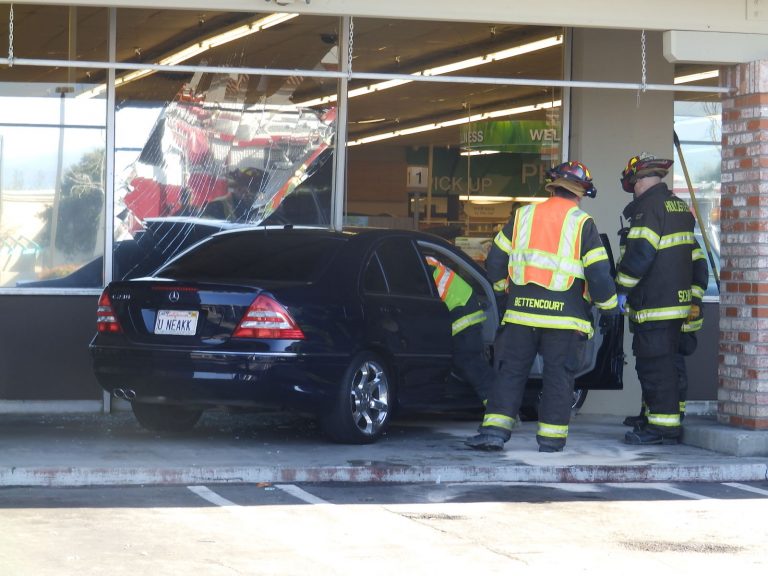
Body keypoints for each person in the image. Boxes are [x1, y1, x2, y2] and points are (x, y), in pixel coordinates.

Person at [465, 161, 619, 453]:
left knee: (509, 373)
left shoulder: (522, 216)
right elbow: (598, 274)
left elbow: (495, 261)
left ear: (553, 187)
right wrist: (609, 307)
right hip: (565, 321)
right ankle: (550, 439)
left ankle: (495, 433)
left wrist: (504, 295)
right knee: (559, 377)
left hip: (521, 315)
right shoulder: (582, 223)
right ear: (581, 193)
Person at [615, 153, 697, 445]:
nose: (634, 189)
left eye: (634, 183)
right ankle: (655, 419)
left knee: (654, 367)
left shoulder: (649, 207)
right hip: (674, 303)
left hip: (655, 304)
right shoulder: (677, 205)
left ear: (641, 180)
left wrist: (620, 288)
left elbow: (640, 255)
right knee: (665, 365)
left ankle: (661, 428)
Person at [622, 237, 708, 427]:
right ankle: (649, 412)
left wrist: (694, 300)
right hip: (655, 317)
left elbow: (701, 269)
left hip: (681, 317)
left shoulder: (686, 241)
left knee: (673, 367)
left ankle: (677, 412)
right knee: (652, 369)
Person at [425, 255, 496, 402]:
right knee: (466, 363)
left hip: (461, 310)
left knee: (469, 362)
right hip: (461, 304)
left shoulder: (421, 264)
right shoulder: (426, 261)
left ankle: (499, 409)